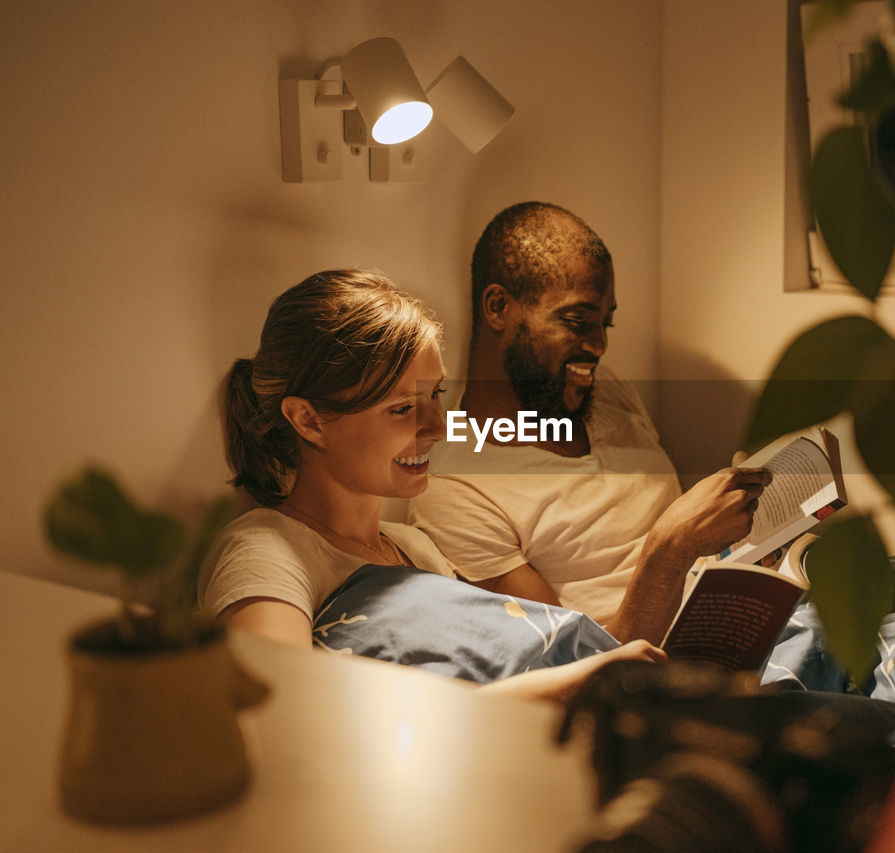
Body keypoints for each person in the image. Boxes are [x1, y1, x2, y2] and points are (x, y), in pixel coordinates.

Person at [198, 268, 665, 704]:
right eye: (402, 409)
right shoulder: (266, 551)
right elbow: (288, 711)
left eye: (436, 394)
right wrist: (570, 687)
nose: (438, 427)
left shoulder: (414, 549)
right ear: (308, 420)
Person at [408, 202, 771, 644]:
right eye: (578, 321)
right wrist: (672, 549)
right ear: (498, 307)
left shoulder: (603, 393)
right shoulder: (456, 489)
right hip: (665, 671)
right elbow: (577, 664)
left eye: (606, 323)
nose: (598, 345)